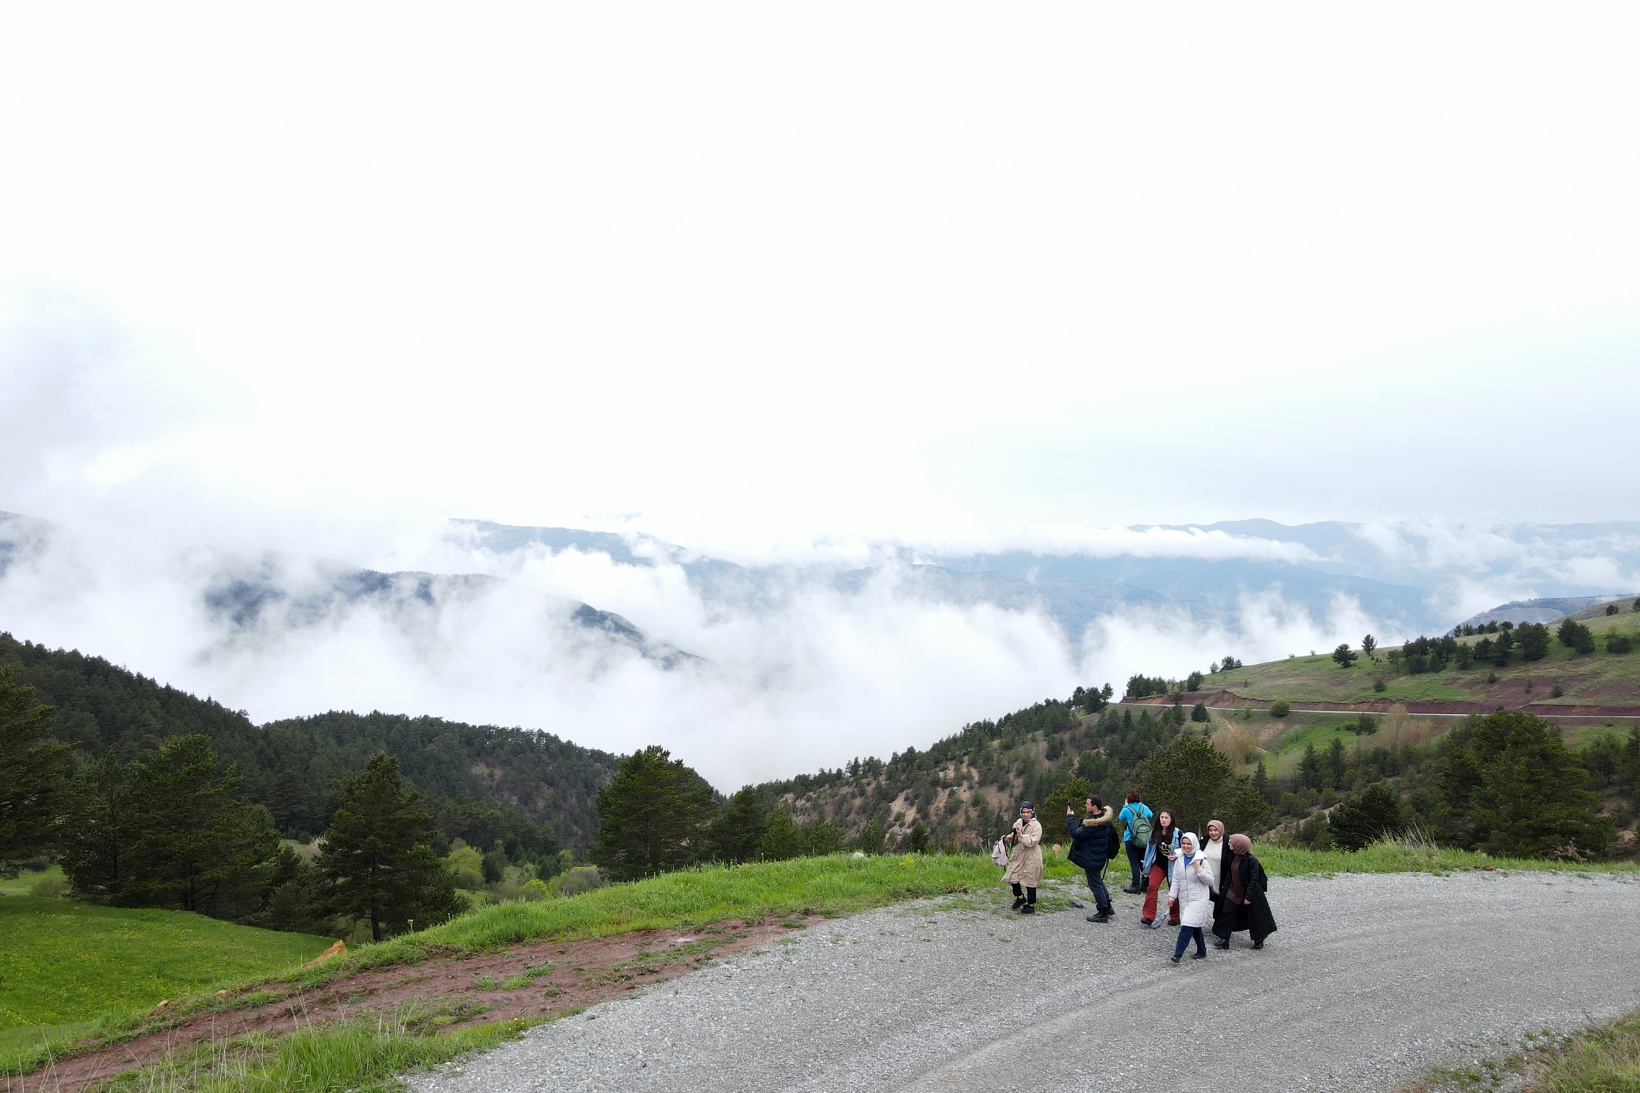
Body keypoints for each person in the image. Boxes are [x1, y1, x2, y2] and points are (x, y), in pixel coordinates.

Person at [1212, 833, 1277, 949]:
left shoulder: (1252, 860)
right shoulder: (1232, 855)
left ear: (1239, 845)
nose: (1229, 843)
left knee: (1255, 916)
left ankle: (1259, 939)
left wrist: (1249, 896)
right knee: (1227, 912)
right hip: (1233, 891)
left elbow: (1254, 879)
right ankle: (1224, 939)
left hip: (1249, 893)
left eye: (1231, 842)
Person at [1065, 794, 1116, 923]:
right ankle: (1108, 906)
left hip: (1093, 858)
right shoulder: (1105, 819)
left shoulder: (1093, 825)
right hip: (1100, 856)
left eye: (1087, 804)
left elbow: (1076, 833)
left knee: (1095, 884)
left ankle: (1102, 911)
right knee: (1098, 880)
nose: (1085, 805)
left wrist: (1070, 818)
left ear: (1094, 806)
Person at [1168, 831, 1214, 963]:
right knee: (1194, 924)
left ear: (1194, 844)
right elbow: (1176, 879)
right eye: (1183, 843)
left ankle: (1178, 954)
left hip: (1198, 898)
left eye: (1188, 844)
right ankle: (1201, 950)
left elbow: (1210, 881)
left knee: (1187, 924)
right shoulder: (1180, 858)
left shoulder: (1201, 860)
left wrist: (1199, 870)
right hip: (1184, 898)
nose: (1186, 846)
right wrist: (1172, 897)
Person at [1139, 808, 1181, 927]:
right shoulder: (1154, 832)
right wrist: (1146, 862)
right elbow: (1149, 848)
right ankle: (1148, 916)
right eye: (1162, 817)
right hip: (1158, 864)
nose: (1164, 820)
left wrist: (1177, 855)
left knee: (1174, 890)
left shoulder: (1177, 833)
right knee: (1152, 887)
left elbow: (1185, 848)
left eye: (1166, 818)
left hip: (1173, 866)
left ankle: (1175, 916)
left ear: (1171, 819)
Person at [1002, 801, 1044, 914]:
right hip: (1020, 853)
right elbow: (1015, 834)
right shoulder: (1019, 822)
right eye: (1023, 812)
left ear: (1032, 812)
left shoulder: (1036, 826)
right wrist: (1009, 837)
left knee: (1031, 879)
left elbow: (1033, 841)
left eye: (1028, 812)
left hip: (1032, 855)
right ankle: (1020, 897)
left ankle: (1031, 905)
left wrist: (1021, 836)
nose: (1025, 814)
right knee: (1013, 875)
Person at [1117, 789, 1154, 893]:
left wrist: (1125, 805)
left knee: (1134, 863)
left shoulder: (1126, 809)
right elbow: (1150, 815)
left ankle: (1135, 885)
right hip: (1144, 838)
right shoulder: (1143, 807)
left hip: (1130, 838)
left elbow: (1121, 818)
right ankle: (1145, 884)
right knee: (1143, 861)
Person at [1201, 819, 1229, 905]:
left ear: (1220, 830)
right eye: (1210, 830)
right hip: (1205, 877)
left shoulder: (1227, 843)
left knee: (1220, 903)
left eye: (1215, 830)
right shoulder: (1204, 841)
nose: (1213, 833)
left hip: (1220, 878)